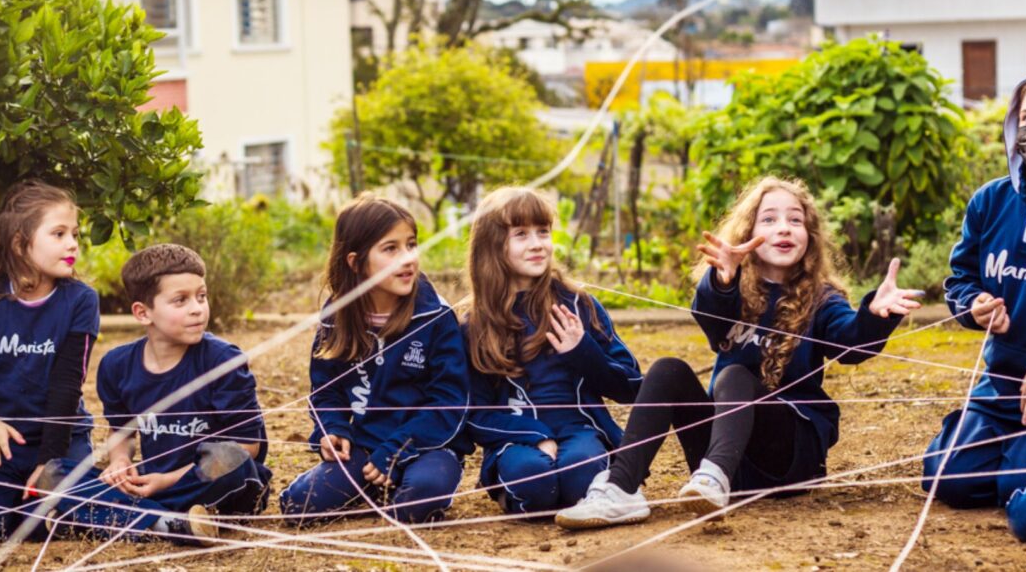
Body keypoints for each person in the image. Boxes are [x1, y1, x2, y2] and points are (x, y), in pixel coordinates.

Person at [557, 176, 921, 529]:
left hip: (787, 457)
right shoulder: (732, 292)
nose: (784, 228)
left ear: (810, 237)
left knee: (734, 376)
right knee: (668, 370)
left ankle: (714, 475)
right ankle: (621, 488)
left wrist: (874, 315)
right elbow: (709, 316)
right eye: (769, 219)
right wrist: (721, 281)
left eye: (796, 220)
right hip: (728, 456)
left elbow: (850, 344)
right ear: (746, 234)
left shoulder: (823, 298)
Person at [931, 63, 1026, 542]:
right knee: (948, 479)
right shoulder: (989, 202)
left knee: (1023, 488)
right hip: (1000, 390)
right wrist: (971, 304)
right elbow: (960, 278)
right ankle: (1005, 444)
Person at [44, 244, 271, 545]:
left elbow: (247, 447)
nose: (197, 308)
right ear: (143, 312)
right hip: (151, 483)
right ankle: (167, 523)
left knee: (227, 458)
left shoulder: (222, 360)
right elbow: (121, 431)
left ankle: (118, 518)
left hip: (213, 487)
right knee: (55, 472)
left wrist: (165, 481)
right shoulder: (117, 365)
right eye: (180, 300)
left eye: (201, 296)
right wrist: (120, 460)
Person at [281, 194, 470, 524]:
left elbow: (449, 402)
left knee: (415, 503)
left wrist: (396, 450)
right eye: (390, 248)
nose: (408, 258)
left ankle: (400, 484)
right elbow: (326, 390)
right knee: (298, 506)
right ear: (355, 262)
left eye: (411, 245)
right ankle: (370, 482)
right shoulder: (336, 317)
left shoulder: (435, 317)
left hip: (429, 446)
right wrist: (334, 429)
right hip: (366, 446)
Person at [0, 180, 99, 551]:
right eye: (58, 233)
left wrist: (49, 462)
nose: (73, 243)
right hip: (4, 441)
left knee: (55, 527)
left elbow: (67, 388)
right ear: (19, 243)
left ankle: (35, 503)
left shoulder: (81, 300)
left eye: (74, 234)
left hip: (61, 441)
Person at [465, 187, 642, 514]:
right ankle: (510, 485)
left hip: (580, 429)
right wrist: (535, 435)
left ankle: (580, 483)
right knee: (534, 483)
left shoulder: (579, 305)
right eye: (521, 234)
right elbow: (473, 413)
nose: (537, 244)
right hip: (516, 435)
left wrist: (583, 351)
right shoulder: (474, 323)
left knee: (581, 479)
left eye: (542, 232)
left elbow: (632, 386)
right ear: (491, 245)